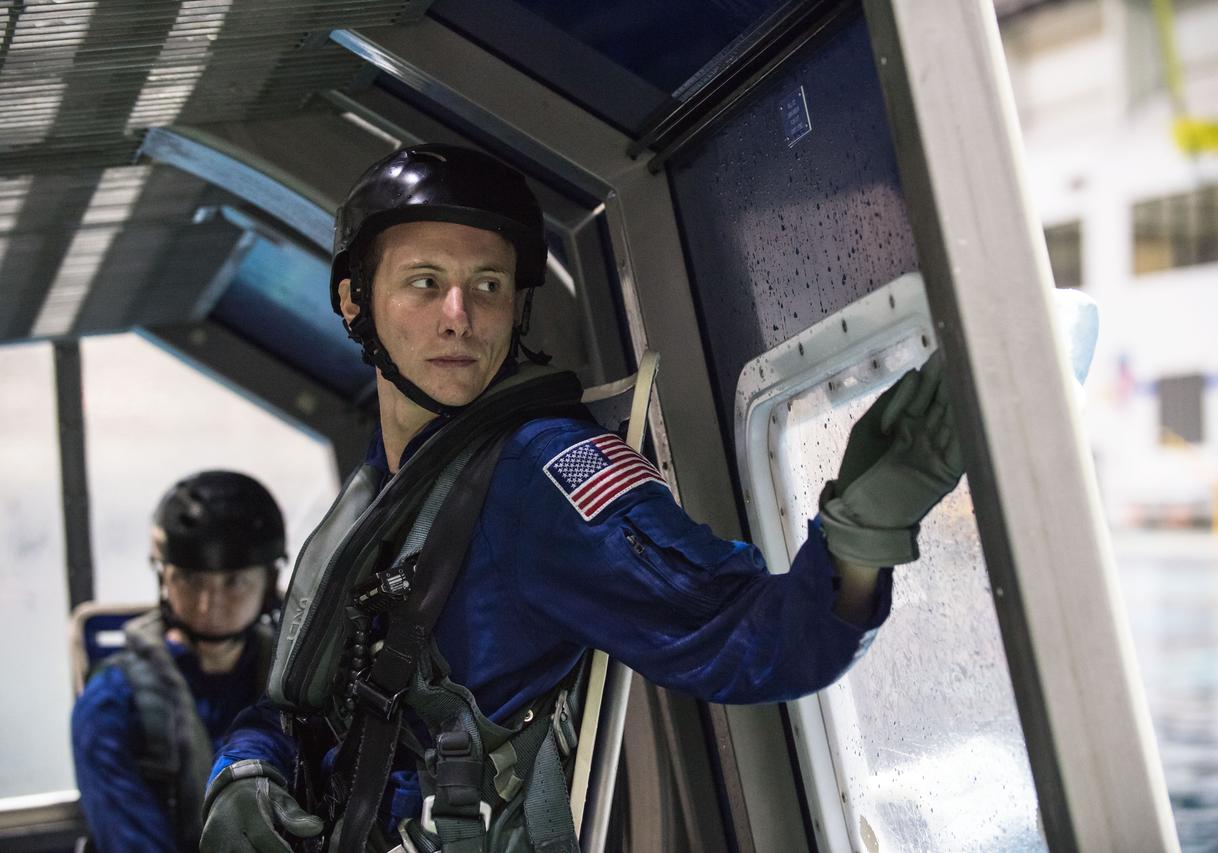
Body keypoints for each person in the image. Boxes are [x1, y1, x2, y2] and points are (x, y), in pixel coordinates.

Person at [200, 144, 963, 853]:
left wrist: (863, 531)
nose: (459, 315)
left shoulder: (541, 475)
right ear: (353, 302)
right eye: (425, 284)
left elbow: (757, 639)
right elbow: (297, 708)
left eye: (488, 287)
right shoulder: (386, 488)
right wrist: (241, 771)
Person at [72, 471, 286, 852]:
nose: (209, 605)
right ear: (164, 579)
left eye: (234, 581)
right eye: (189, 579)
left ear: (269, 581)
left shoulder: (301, 682)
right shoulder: (112, 703)